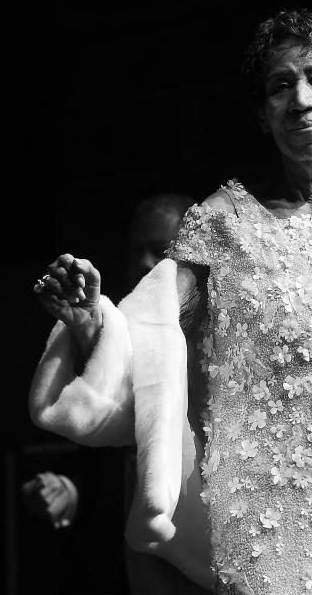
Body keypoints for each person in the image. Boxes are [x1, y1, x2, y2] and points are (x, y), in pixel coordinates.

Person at [30, 9, 312, 594]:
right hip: (272, 543)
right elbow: (147, 340)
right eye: (281, 86)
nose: (301, 98)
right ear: (262, 114)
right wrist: (90, 321)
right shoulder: (227, 226)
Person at [24, 194, 205, 594]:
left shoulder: (216, 339)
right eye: (134, 250)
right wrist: (68, 491)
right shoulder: (115, 326)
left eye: (159, 250)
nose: (143, 262)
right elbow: (109, 424)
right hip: (120, 568)